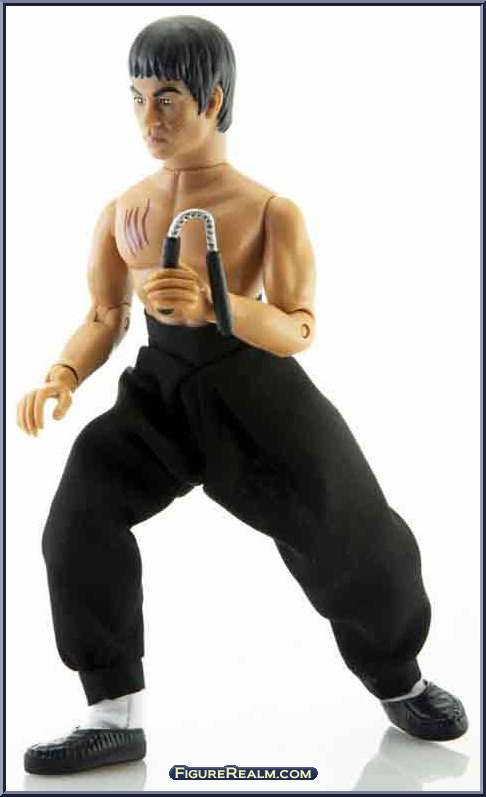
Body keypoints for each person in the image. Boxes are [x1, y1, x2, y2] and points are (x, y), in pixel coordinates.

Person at [18, 15, 468, 776]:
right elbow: (104, 315)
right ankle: (112, 714)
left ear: (214, 98)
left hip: (253, 386)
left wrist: (216, 306)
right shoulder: (122, 210)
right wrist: (62, 374)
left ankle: (400, 678)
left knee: (352, 525)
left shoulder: (267, 210)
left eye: (167, 98)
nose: (149, 118)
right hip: (160, 393)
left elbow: (298, 326)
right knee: (78, 514)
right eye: (136, 98)